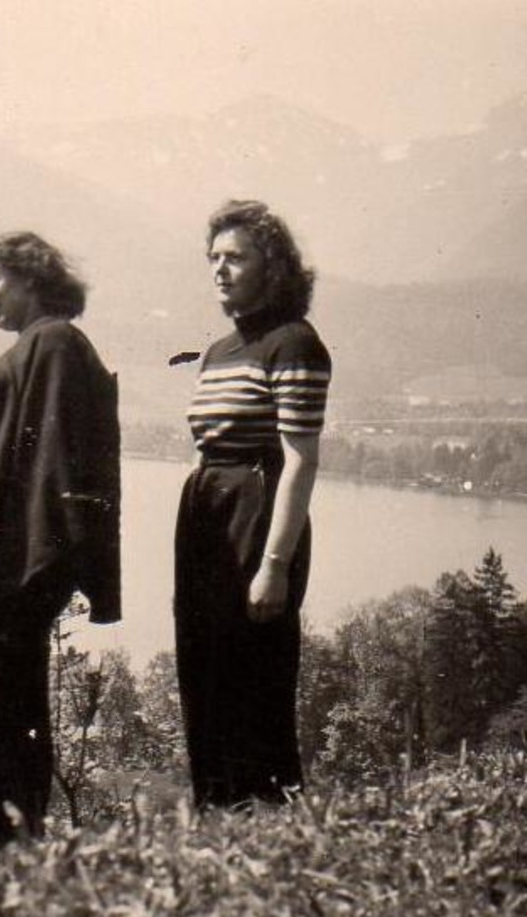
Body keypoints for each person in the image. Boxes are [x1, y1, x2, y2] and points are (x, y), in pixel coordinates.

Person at [0, 231, 121, 844]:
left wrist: (36, 570)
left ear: (31, 275)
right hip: (3, 569)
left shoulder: (54, 343)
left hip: (7, 573)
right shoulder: (42, 346)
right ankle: (9, 843)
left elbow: (59, 467)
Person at [175, 199, 331, 810]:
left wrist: (275, 564)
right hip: (207, 516)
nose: (220, 268)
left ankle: (270, 822)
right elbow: (205, 449)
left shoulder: (293, 344)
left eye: (235, 257)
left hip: (256, 517)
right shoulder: (218, 352)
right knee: (204, 673)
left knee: (252, 677)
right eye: (213, 257)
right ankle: (216, 815)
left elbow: (300, 459)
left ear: (274, 265)